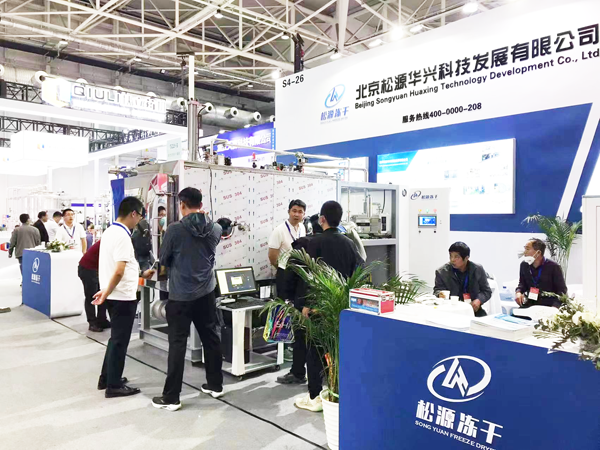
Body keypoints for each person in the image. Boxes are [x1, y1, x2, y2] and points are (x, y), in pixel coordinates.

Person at [152, 187, 223, 411]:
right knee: (211, 339)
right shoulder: (216, 228)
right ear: (201, 204)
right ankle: (215, 385)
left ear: (181, 204)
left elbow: (164, 258)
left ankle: (171, 397)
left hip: (181, 295)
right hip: (207, 293)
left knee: (177, 344)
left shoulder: (174, 229)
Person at [295, 201, 363, 412]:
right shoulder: (349, 243)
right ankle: (336, 392)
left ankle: (315, 396)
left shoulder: (314, 243)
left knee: (314, 350)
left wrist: (306, 304)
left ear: (322, 219)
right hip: (341, 307)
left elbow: (309, 276)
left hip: (319, 305)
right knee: (338, 350)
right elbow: (357, 272)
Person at [92, 197, 155, 398]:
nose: (139, 221)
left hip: (114, 294)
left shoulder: (110, 231)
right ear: (133, 213)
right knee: (120, 341)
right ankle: (114, 385)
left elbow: (120, 268)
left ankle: (107, 377)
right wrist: (107, 292)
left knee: (115, 339)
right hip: (122, 297)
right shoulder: (122, 236)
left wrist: (140, 274)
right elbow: (119, 271)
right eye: (140, 217)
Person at [277, 214, 322, 386]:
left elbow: (290, 275)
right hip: (329, 301)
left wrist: (289, 297)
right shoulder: (343, 243)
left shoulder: (302, 246)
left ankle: (298, 373)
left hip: (303, 301)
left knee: (301, 339)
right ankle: (325, 375)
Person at [434, 242, 492, 317]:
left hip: (473, 310)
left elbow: (486, 291)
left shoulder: (477, 269)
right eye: (451, 256)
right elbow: (437, 291)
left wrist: (478, 300)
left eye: (456, 257)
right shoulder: (442, 272)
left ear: (466, 258)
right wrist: (441, 294)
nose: (452, 260)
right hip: (451, 312)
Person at [268, 199, 307, 298]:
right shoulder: (279, 230)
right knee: (284, 302)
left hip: (299, 272)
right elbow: (272, 256)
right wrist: (281, 268)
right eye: (294, 211)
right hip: (285, 271)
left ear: (304, 214)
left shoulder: (302, 228)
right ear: (289, 212)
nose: (296, 214)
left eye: (300, 212)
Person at [515, 238, 567, 308]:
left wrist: (555, 306)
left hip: (549, 305)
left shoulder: (554, 267)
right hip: (531, 303)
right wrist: (518, 292)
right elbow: (522, 283)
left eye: (527, 249)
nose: (524, 252)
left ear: (538, 253)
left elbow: (562, 290)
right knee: (515, 313)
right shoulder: (524, 265)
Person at [78, 240, 109, 332]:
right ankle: (92, 323)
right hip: (87, 268)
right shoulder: (109, 242)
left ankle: (102, 320)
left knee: (103, 293)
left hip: (96, 268)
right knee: (91, 296)